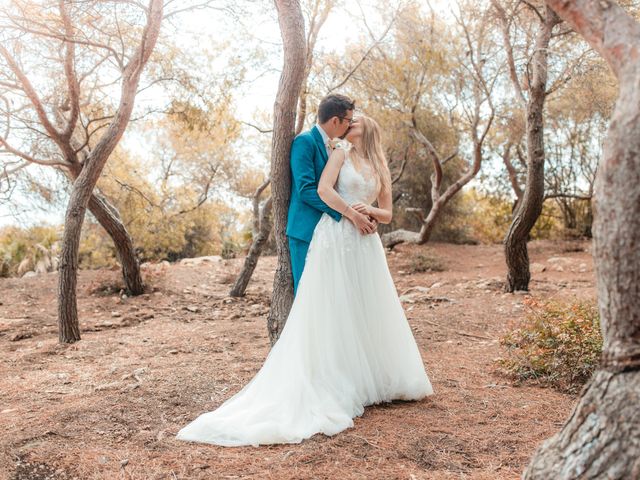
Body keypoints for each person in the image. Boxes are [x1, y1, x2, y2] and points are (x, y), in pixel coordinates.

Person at [176, 114, 433, 447]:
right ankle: (338, 380)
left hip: (366, 243)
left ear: (369, 130)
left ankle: (370, 378)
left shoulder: (379, 166)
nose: (349, 126)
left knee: (366, 307)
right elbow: (323, 190)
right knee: (333, 306)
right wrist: (351, 214)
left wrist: (369, 213)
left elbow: (387, 214)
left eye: (355, 124)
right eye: (348, 122)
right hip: (339, 235)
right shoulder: (340, 152)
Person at [286, 94, 376, 294]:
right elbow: (305, 190)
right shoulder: (305, 141)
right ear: (336, 120)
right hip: (306, 229)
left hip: (329, 231)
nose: (350, 125)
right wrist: (347, 213)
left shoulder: (337, 147)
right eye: (348, 121)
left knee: (329, 295)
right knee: (307, 294)